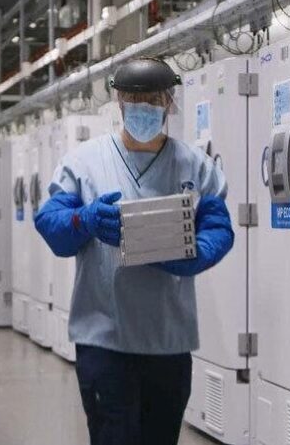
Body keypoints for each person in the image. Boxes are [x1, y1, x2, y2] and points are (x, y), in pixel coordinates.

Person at [33, 58, 234, 445]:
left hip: (168, 341)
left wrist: (196, 253)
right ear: (120, 103)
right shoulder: (83, 163)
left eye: (152, 99)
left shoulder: (196, 166)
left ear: (168, 103)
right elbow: (51, 224)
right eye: (133, 98)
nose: (143, 107)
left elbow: (218, 227)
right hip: (104, 340)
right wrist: (85, 220)